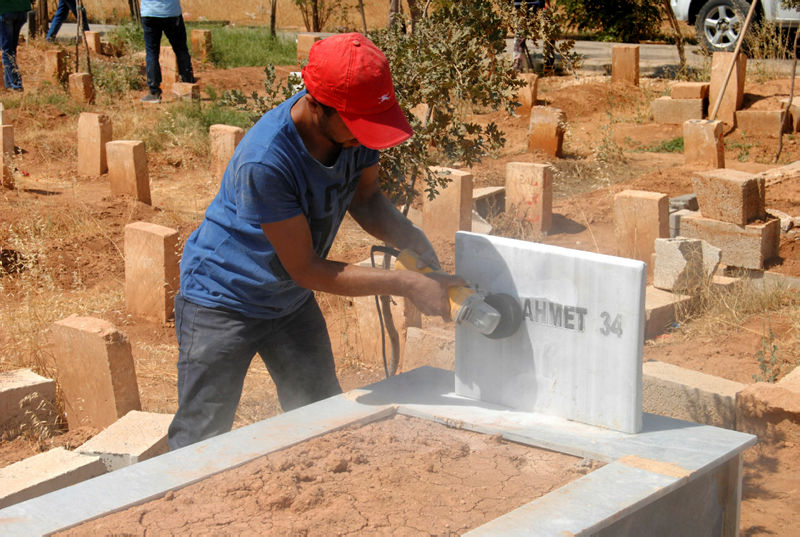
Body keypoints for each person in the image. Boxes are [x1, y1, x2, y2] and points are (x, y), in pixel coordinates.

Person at [168, 33, 462, 450]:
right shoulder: (267, 159)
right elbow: (305, 268)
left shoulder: (354, 134)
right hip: (223, 300)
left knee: (320, 416)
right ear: (318, 104)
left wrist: (413, 242)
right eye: (358, 126)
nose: (365, 138)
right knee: (201, 434)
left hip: (288, 301)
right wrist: (405, 283)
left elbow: (368, 200)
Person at [139, 0, 194, 103]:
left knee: (152, 53)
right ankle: (189, 88)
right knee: (181, 50)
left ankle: (154, 92)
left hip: (149, 13)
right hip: (171, 12)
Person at [512, 0, 553, 73]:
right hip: (534, 5)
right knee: (549, 32)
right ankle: (548, 65)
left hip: (521, 5)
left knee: (520, 35)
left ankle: (517, 65)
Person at [0, 0, 30, 92]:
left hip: (5, 11)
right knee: (11, 49)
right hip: (21, 11)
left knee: (7, 51)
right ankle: (8, 84)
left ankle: (16, 84)